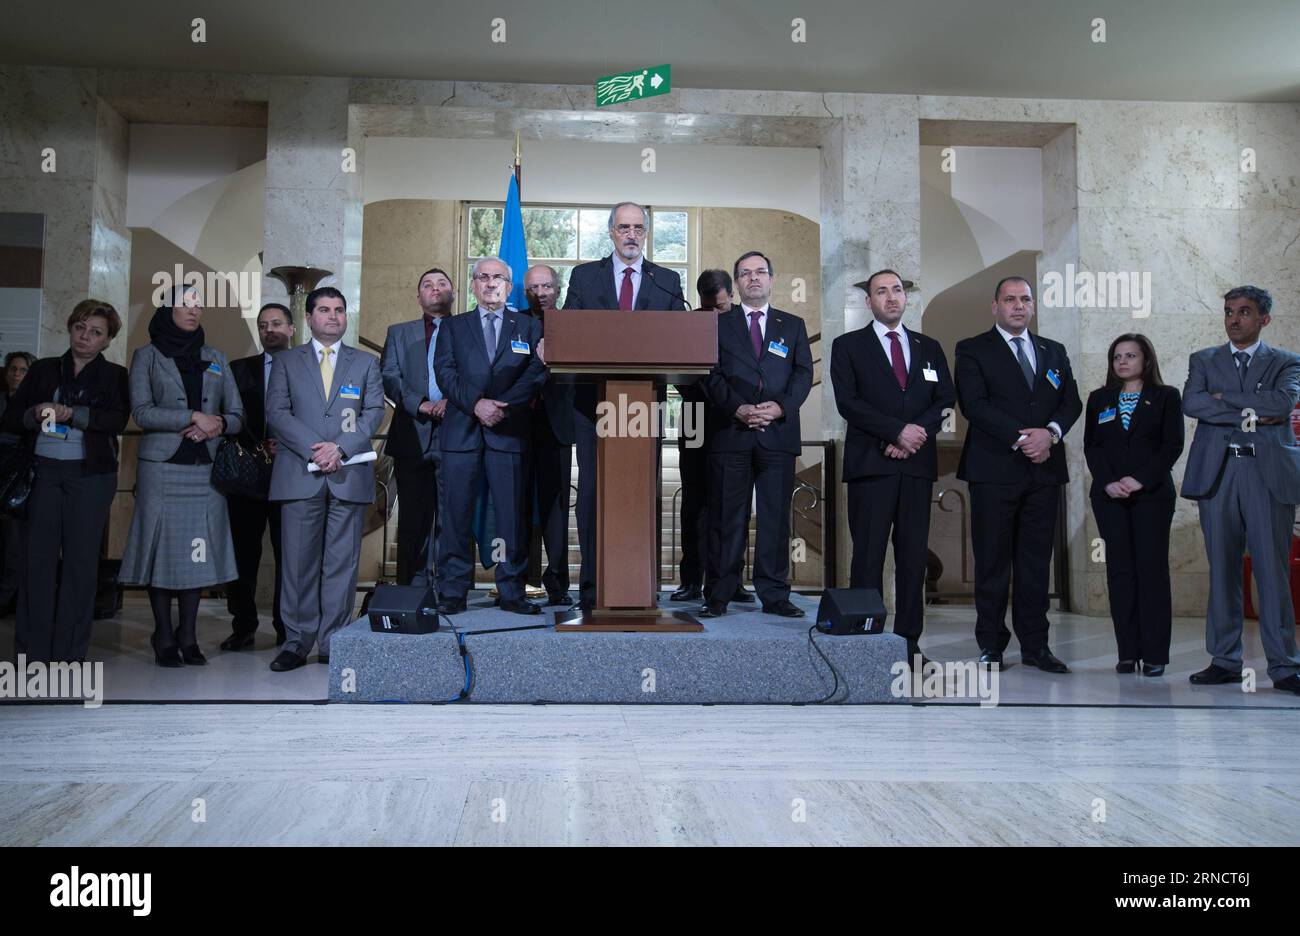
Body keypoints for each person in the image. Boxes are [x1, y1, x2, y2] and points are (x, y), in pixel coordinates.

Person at [563, 201, 687, 610]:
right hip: (593, 405)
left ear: (646, 233)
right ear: (611, 232)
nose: (631, 234)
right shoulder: (584, 276)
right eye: (623, 227)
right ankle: (593, 587)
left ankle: (639, 585)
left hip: (642, 406)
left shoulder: (666, 280)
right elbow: (571, 331)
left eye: (638, 228)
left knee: (639, 493)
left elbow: (676, 340)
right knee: (594, 495)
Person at [955, 276, 1081, 671]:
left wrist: (1051, 434)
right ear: (995, 306)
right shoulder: (973, 349)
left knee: (1035, 564)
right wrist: (1022, 439)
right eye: (1009, 300)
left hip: (1043, 473)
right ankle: (991, 645)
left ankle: (1036, 646)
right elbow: (974, 405)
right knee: (992, 564)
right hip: (994, 471)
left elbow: (1071, 401)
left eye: (1025, 299)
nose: (1018, 306)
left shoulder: (1053, 351)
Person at [830, 270, 955, 666]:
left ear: (905, 298)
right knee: (867, 555)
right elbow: (849, 402)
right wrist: (897, 432)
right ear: (869, 301)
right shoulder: (848, 346)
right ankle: (866, 643)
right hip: (872, 465)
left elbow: (945, 398)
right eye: (881, 292)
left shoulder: (928, 346)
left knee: (913, 558)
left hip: (916, 467)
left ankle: (908, 644)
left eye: (897, 290)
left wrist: (916, 434)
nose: (891, 297)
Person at [1181, 286, 1300, 695]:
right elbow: (1193, 403)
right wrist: (1252, 405)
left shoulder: (1287, 362)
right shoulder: (1204, 360)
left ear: (1264, 318)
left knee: (1272, 572)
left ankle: (1284, 666)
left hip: (1267, 474)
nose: (1234, 319)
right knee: (1224, 571)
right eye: (1229, 311)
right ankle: (1225, 660)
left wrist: (1224, 400)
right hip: (1219, 472)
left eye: (1244, 312)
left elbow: (1281, 406)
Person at [120, 288, 244, 667]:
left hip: (204, 470)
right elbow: (141, 412)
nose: (194, 310)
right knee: (163, 553)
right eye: (185, 303)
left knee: (197, 552)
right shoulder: (147, 356)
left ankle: (188, 635)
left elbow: (237, 415)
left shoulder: (216, 357)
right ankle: (163, 634)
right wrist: (192, 417)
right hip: (162, 468)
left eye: (197, 304)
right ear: (168, 309)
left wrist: (216, 424)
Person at [265, 286, 384, 671]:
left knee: (341, 563)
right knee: (298, 563)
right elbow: (277, 412)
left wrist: (341, 449)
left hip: (348, 473)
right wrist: (317, 448)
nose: (333, 316)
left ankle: (333, 640)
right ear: (310, 318)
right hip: (301, 472)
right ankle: (296, 641)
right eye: (324, 310)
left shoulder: (365, 363)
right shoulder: (286, 362)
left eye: (339, 310)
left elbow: (373, 412)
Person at [1, 303, 127, 662]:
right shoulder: (42, 370)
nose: (85, 337)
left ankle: (69, 656)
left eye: (96, 332)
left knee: (80, 565)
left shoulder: (115, 375)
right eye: (80, 327)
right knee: (36, 562)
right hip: (42, 474)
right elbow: (11, 418)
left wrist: (73, 414)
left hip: (90, 477)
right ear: (70, 328)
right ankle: (31, 654)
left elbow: (116, 420)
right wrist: (34, 413)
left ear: (107, 341)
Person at [698, 251, 813, 619]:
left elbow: (802, 375)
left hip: (777, 434)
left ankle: (775, 594)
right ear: (736, 282)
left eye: (760, 271)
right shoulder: (717, 324)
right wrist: (738, 408)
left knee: (775, 519)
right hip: (731, 432)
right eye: (745, 273)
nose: (753, 278)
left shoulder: (792, 325)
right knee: (726, 518)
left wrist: (779, 407)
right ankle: (719, 593)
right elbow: (709, 375)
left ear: (771, 279)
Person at [433, 257, 547, 615]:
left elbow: (536, 373)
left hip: (509, 432)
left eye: (498, 277)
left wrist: (503, 407)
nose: (490, 283)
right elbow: (444, 372)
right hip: (461, 433)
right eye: (483, 277)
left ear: (509, 285)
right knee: (455, 514)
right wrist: (477, 404)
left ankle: (512, 591)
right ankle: (452, 591)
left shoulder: (528, 327)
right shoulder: (453, 326)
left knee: (512, 517)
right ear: (473, 285)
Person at [1084, 334, 1184, 676]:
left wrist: (1139, 480)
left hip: (1151, 496)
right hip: (1109, 497)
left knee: (1151, 572)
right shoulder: (1099, 399)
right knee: (1120, 572)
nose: (1123, 362)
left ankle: (1155, 654)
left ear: (1146, 360)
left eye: (1130, 355)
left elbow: (1171, 446)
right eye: (1117, 356)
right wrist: (1109, 482)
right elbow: (1092, 447)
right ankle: (1127, 652)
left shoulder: (1166, 396)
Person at [671, 269, 756, 604]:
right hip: (694, 415)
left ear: (730, 297)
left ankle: (730, 580)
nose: (712, 316)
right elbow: (678, 370)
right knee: (694, 503)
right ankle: (691, 579)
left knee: (733, 506)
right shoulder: (689, 323)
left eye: (718, 308)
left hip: (731, 419)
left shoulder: (743, 322)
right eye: (707, 308)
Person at [219, 302, 295, 651]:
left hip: (291, 472)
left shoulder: (307, 365)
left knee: (289, 555)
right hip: (247, 474)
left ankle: (285, 627)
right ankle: (243, 625)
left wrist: (289, 443)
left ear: (292, 328)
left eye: (277, 324)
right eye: (263, 325)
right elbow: (229, 415)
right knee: (242, 554)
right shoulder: (238, 369)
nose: (270, 330)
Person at [381, 268, 453, 588]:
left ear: (452, 292)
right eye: (427, 284)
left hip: (456, 434)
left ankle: (450, 587)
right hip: (412, 434)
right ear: (418, 296)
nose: (434, 289)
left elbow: (477, 373)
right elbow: (389, 377)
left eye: (441, 283)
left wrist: (452, 400)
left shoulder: (467, 329)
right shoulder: (398, 332)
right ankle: (408, 588)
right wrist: (421, 404)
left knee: (452, 519)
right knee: (411, 519)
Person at [522, 263, 575, 605]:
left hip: (557, 425)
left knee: (556, 510)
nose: (540, 294)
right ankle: (521, 583)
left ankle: (557, 583)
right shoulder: (514, 323)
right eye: (533, 289)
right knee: (518, 507)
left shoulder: (573, 324)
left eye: (547, 287)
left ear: (559, 288)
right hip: (518, 426)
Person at [0, 350, 35, 616]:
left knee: (14, 542)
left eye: (23, 370)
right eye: (13, 369)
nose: (16, 374)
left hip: (19, 480)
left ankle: (7, 598)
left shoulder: (34, 405)